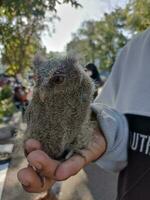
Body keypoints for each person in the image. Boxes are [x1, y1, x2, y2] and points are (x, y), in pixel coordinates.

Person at [18, 28, 150, 200]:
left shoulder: (83, 83)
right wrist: (106, 133)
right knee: (47, 158)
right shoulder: (134, 50)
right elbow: (121, 140)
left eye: (56, 80)